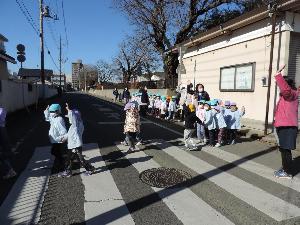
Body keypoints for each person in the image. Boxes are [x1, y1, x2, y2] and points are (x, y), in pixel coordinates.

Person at [273, 65, 298, 179]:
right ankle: (286, 168)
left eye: (279, 84)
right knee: (284, 149)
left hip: (287, 127)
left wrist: (278, 75)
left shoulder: (290, 94)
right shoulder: (289, 95)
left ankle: (287, 172)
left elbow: (285, 89)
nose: (278, 86)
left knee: (285, 150)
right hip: (284, 126)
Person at [59, 104, 95, 177]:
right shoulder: (75, 125)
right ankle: (68, 171)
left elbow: (73, 118)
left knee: (78, 159)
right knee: (70, 159)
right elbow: (70, 134)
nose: (69, 119)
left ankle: (90, 169)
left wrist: (69, 111)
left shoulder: (76, 125)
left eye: (70, 118)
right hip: (73, 145)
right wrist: (63, 138)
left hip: (75, 146)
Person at [44, 104, 67, 172]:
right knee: (56, 152)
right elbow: (47, 118)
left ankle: (63, 165)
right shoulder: (53, 117)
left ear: (57, 111)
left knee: (55, 152)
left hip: (58, 140)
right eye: (50, 112)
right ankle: (62, 162)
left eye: (52, 112)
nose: (51, 113)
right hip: (55, 139)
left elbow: (63, 130)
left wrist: (64, 137)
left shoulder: (59, 119)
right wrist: (46, 111)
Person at [0, 107, 17, 179]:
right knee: (5, 153)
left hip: (1, 133)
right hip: (3, 132)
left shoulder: (1, 110)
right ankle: (10, 169)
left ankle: (10, 171)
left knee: (2, 155)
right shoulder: (2, 110)